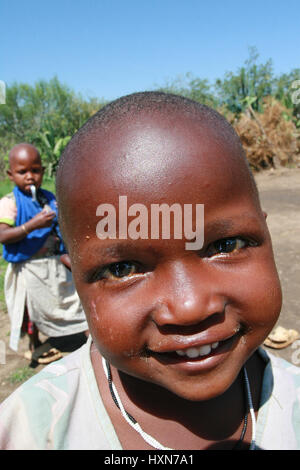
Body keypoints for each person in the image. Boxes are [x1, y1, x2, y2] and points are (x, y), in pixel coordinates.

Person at [0, 92, 299, 450]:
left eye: (225, 246)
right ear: (75, 276)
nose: (189, 308)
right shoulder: (30, 432)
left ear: (265, 234)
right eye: (123, 268)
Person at [0, 143, 88, 363]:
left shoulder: (49, 198)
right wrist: (32, 225)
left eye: (35, 170)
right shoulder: (10, 203)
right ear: (11, 175)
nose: (30, 177)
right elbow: (3, 235)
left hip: (55, 264)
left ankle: (88, 337)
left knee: (71, 301)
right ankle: (35, 344)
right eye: (22, 172)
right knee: (33, 310)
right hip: (30, 269)